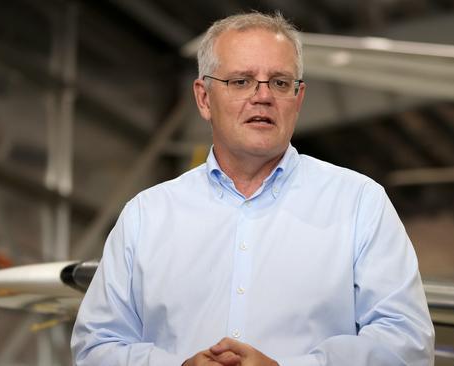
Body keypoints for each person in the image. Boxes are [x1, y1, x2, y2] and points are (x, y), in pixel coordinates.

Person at [71, 11, 434, 366]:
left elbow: (407, 345)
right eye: (241, 81)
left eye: (279, 82)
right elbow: (96, 346)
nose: (263, 96)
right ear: (203, 98)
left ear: (299, 99)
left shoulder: (359, 204)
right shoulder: (146, 216)